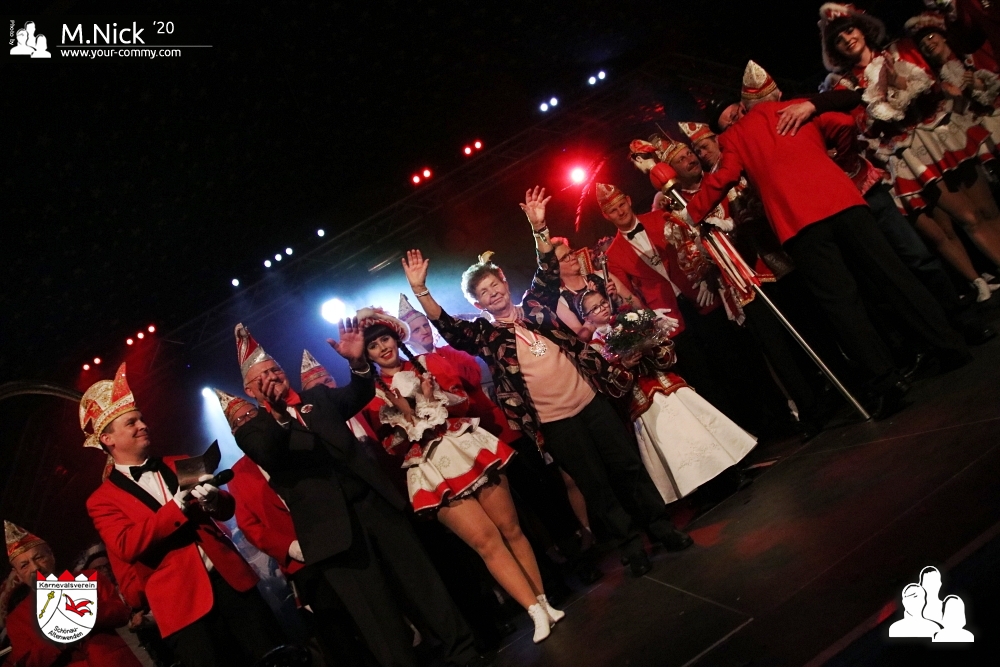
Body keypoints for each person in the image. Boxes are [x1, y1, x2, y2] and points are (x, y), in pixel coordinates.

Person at [401, 186, 693, 578]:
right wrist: (421, 290)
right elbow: (449, 328)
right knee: (595, 484)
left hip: (591, 401)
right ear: (478, 303)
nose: (493, 293)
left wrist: (538, 227)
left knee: (627, 467)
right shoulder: (486, 336)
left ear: (504, 282)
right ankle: (631, 548)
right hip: (556, 423)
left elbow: (547, 270)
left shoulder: (535, 306)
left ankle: (661, 528)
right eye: (484, 292)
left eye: (495, 285)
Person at [682, 59, 972, 418]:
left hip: (800, 223)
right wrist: (836, 156)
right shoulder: (799, 109)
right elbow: (845, 123)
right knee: (894, 276)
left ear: (745, 105)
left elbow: (724, 176)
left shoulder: (735, 136)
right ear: (775, 93)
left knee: (842, 303)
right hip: (844, 202)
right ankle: (949, 346)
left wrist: (693, 212)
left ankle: (887, 381)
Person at [231, 323, 484, 667]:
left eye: (274, 369)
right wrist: (277, 414)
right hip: (330, 533)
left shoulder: (317, 399)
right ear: (249, 390)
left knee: (422, 583)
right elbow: (269, 453)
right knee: (378, 616)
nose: (272, 377)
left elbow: (358, 394)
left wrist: (358, 364)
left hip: (374, 505)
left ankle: (464, 652)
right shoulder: (253, 430)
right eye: (262, 376)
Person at [357, 307, 563, 643]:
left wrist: (430, 397)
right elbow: (393, 446)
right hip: (431, 468)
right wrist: (409, 413)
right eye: (373, 345)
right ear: (366, 355)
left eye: (385, 339)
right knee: (485, 541)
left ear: (396, 338)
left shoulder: (429, 364)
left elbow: (463, 403)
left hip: (467, 447)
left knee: (511, 529)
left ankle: (544, 603)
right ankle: (533, 611)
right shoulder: (373, 397)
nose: (382, 347)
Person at [82, 363, 284, 667]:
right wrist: (175, 509)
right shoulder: (101, 500)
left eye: (141, 418)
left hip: (233, 585)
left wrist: (215, 500)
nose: (143, 425)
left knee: (274, 658)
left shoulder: (180, 462)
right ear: (108, 440)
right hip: (183, 606)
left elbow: (227, 508)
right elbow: (126, 544)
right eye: (131, 422)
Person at [816, 3, 1000, 296]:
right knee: (968, 218)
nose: (847, 39)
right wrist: (881, 93)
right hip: (911, 151)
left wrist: (898, 80)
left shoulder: (901, 50)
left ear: (862, 28)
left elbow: (932, 83)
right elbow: (866, 126)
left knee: (988, 210)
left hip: (943, 134)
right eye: (839, 39)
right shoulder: (844, 85)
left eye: (849, 30)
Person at [219, 389, 375, 667]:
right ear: (233, 433)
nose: (247, 420)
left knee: (367, 612)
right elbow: (250, 526)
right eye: (239, 420)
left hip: (333, 538)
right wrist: (288, 547)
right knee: (334, 628)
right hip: (301, 561)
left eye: (250, 413)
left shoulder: (291, 444)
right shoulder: (238, 475)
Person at [575, 289, 757, 504]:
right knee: (676, 446)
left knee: (699, 429)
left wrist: (649, 347)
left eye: (603, 302)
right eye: (595, 308)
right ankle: (704, 492)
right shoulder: (595, 349)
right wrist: (624, 365)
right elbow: (610, 387)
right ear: (586, 317)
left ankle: (731, 473)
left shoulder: (630, 320)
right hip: (644, 400)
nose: (603, 308)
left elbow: (666, 353)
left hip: (668, 385)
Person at [3, 520, 142, 667]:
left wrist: (83, 616)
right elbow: (28, 663)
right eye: (24, 565)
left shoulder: (89, 577)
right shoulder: (17, 620)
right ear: (17, 574)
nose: (35, 568)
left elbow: (121, 612)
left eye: (39, 557)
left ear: (51, 555)